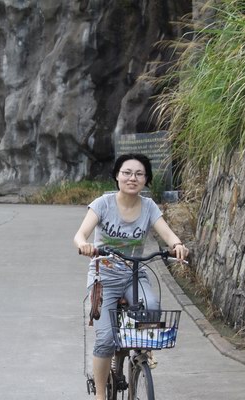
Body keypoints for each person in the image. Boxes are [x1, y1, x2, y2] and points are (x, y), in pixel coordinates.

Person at [73, 153, 188, 400]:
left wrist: (177, 245)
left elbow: (167, 235)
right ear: (117, 176)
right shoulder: (102, 204)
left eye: (139, 174)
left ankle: (141, 350)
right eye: (126, 173)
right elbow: (80, 234)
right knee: (105, 339)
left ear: (146, 180)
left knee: (153, 305)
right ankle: (101, 394)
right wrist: (85, 245)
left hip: (133, 273)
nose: (132, 178)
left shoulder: (149, 207)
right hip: (103, 276)